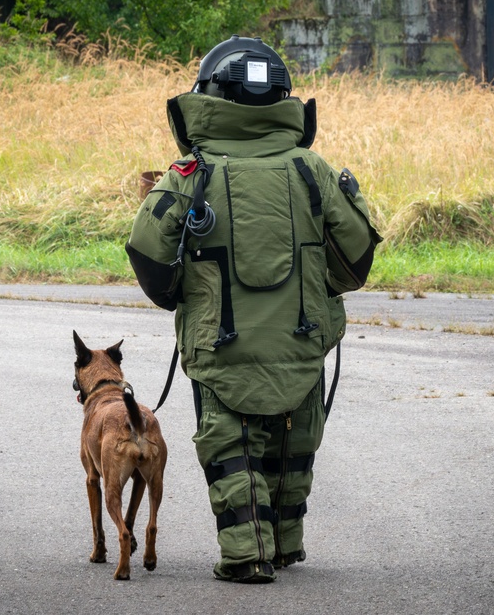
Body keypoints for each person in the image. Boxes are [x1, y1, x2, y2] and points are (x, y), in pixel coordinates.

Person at [126, 35, 381, 583]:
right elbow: (356, 261)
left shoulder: (191, 172)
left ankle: (247, 553)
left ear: (209, 96)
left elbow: (149, 257)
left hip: (222, 344)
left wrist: (180, 293)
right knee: (294, 443)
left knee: (231, 446)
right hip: (300, 340)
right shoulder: (312, 170)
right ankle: (285, 543)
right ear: (284, 98)